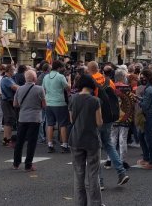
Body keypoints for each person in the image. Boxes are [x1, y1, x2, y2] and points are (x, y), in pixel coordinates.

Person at [87, 61, 129, 189]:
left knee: (94, 149)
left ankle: (99, 181)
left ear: (89, 69)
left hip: (97, 117)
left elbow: (90, 101)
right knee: (109, 144)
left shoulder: (90, 81)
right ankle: (121, 173)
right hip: (110, 117)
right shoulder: (107, 80)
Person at [69, 74, 103, 206]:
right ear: (91, 86)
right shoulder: (95, 101)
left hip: (76, 139)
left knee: (78, 174)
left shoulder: (73, 99)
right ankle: (95, 203)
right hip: (92, 140)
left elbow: (71, 120)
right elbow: (99, 122)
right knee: (93, 174)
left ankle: (80, 203)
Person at [12, 70, 45, 171]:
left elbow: (15, 104)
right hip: (35, 118)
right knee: (31, 142)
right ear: (34, 78)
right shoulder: (40, 89)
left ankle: (16, 163)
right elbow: (44, 105)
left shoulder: (19, 89)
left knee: (20, 141)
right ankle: (28, 164)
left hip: (22, 117)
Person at [42, 60, 71, 153]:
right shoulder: (60, 76)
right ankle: (64, 145)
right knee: (62, 124)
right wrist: (69, 80)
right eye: (62, 67)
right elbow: (68, 88)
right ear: (59, 68)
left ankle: (50, 144)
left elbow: (43, 89)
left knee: (50, 124)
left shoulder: (46, 77)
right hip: (59, 103)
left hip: (48, 102)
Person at [137, 69, 152, 170]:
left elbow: (145, 105)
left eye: (143, 77)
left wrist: (138, 102)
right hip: (148, 115)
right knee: (141, 136)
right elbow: (146, 101)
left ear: (148, 77)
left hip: (148, 116)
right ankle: (146, 158)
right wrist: (138, 98)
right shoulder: (150, 88)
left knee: (148, 139)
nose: (141, 79)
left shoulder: (149, 90)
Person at [0, 64, 19, 147]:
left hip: (8, 101)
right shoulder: (6, 79)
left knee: (9, 120)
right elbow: (15, 87)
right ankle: (8, 139)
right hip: (7, 101)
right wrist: (25, 88)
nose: (14, 72)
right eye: (13, 70)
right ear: (9, 70)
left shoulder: (9, 78)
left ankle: (5, 139)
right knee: (9, 121)